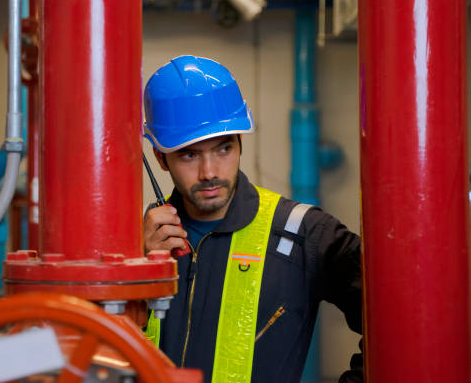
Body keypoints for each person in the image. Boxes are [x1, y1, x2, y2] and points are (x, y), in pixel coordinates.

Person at [142, 56, 363, 383]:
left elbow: (404, 321)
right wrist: (131, 272)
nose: (210, 172)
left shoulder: (302, 233)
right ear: (161, 157)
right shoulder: (138, 246)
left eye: (223, 148)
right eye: (189, 154)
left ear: (239, 141)